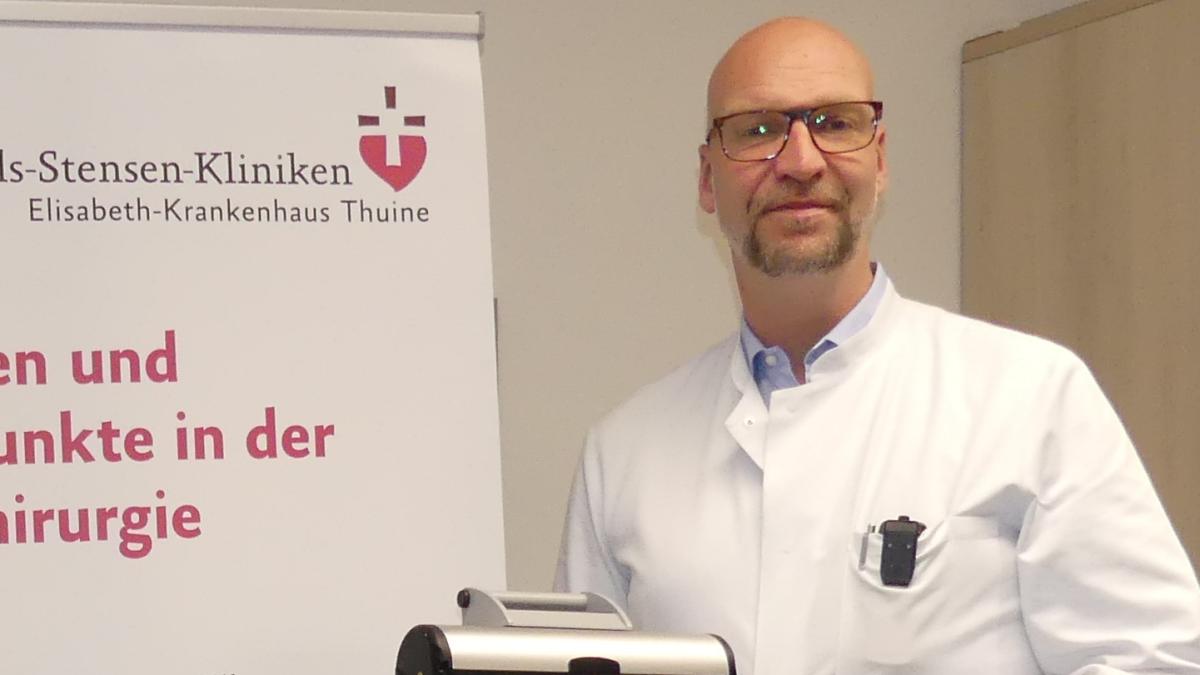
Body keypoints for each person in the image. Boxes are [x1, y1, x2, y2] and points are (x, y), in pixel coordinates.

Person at [554, 16, 1200, 675]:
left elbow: (1154, 660)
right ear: (705, 178)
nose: (801, 162)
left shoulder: (1031, 398)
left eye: (835, 123)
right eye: (758, 130)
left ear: (880, 159)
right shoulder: (623, 454)